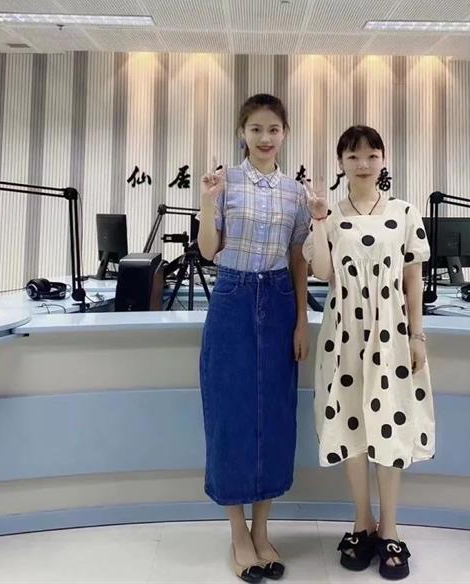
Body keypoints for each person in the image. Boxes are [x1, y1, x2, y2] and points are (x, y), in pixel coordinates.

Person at [302, 125, 435, 580]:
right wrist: (318, 219)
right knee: (351, 423)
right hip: (343, 333)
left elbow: (413, 278)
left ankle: (390, 528)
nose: (363, 163)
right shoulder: (331, 215)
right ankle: (362, 522)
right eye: (354, 156)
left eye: (372, 155)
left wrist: (417, 336)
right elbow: (322, 272)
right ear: (341, 162)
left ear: (383, 160)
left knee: (390, 423)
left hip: (391, 333)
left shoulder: (404, 212)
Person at [197, 94, 311, 583]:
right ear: (242, 133)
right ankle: (237, 533)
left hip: (280, 299)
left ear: (285, 134)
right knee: (230, 413)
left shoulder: (295, 193)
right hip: (233, 297)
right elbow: (208, 250)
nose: (266, 138)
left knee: (274, 414)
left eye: (274, 129)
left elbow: (299, 258)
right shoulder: (224, 182)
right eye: (256, 129)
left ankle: (263, 530)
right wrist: (207, 202)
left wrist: (301, 321)